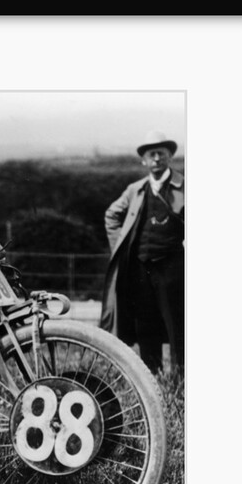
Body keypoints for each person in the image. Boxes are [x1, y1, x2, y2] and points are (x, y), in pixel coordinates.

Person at [100, 130, 185, 373]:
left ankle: (180, 377)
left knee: (176, 323)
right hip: (140, 268)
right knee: (145, 324)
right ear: (144, 161)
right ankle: (152, 376)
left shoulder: (184, 187)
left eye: (162, 153)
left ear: (170, 157)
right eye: (152, 154)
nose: (157, 158)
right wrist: (120, 247)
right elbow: (111, 215)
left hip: (173, 267)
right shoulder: (135, 190)